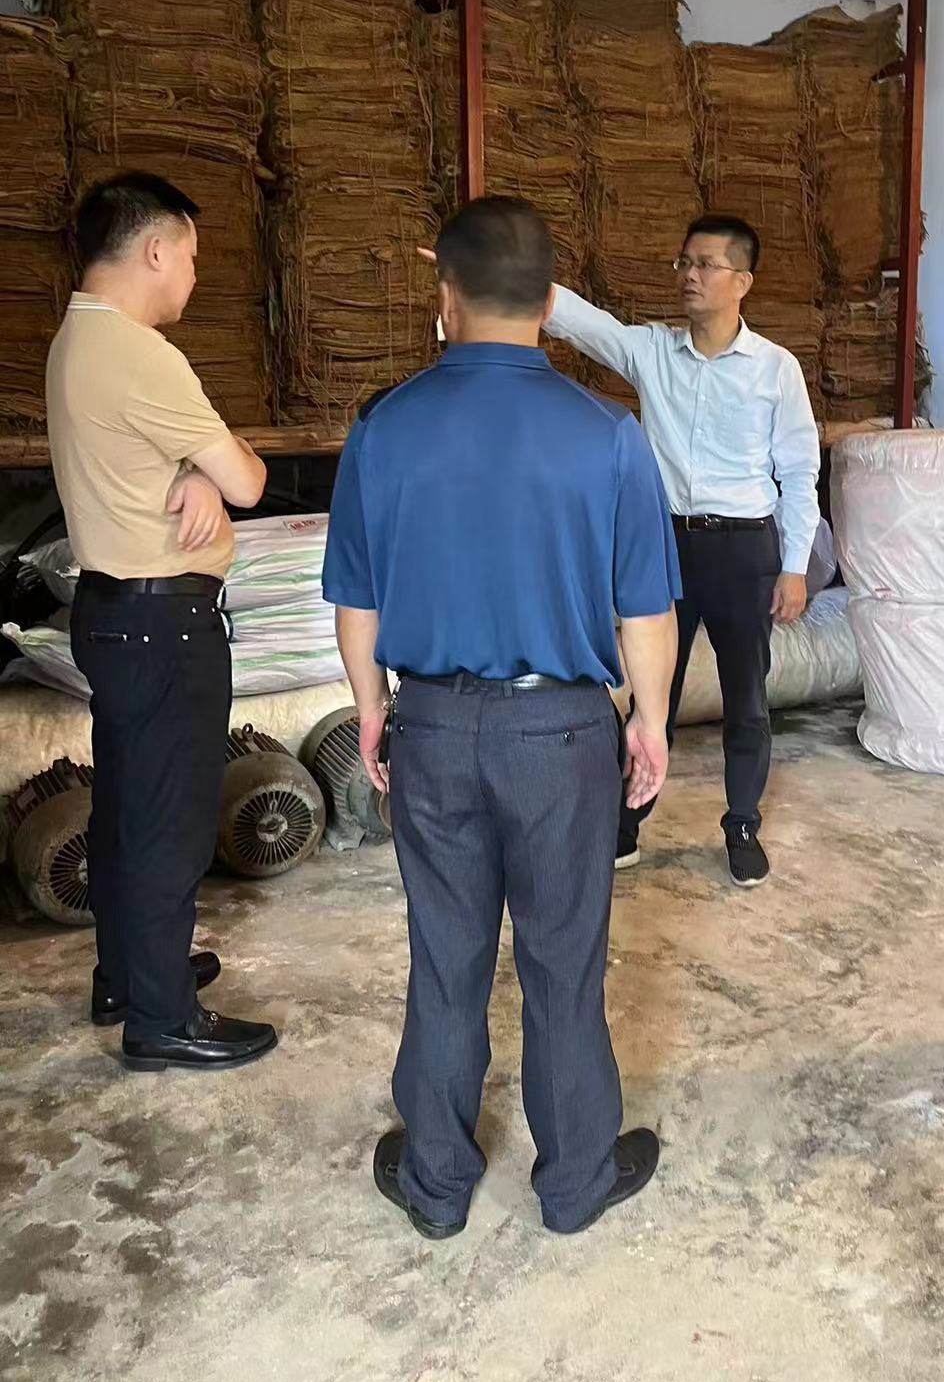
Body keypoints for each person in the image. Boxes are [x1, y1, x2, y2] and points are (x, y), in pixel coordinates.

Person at [325, 196, 680, 1238]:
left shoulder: (385, 428)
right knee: (563, 962)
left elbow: (357, 602)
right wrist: (649, 721)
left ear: (447, 294)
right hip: (563, 737)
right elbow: (645, 611)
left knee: (446, 958)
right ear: (549, 302)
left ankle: (435, 1183)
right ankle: (573, 1183)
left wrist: (373, 710)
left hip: (434, 728)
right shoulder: (607, 435)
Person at [46, 172, 278, 1071]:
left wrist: (188, 470)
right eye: (189, 255)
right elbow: (250, 479)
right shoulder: (140, 354)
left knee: (126, 807)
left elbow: (159, 462)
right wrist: (210, 470)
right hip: (163, 626)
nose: (192, 274)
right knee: (169, 823)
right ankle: (163, 1017)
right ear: (152, 249)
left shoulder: (77, 339)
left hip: (117, 612)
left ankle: (128, 972)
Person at [540, 215, 821, 889]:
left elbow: (799, 471)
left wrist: (794, 566)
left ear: (742, 281)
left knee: (746, 697)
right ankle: (625, 825)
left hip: (745, 551)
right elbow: (580, 322)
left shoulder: (775, 369)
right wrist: (492, 273)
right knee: (648, 691)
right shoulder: (653, 351)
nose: (689, 276)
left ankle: (742, 824)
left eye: (705, 265)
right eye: (684, 264)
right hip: (665, 546)